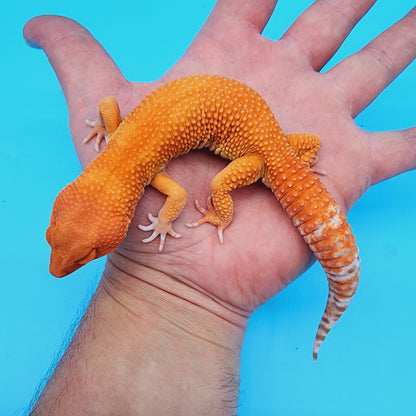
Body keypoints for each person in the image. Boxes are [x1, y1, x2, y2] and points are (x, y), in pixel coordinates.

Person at [24, 0, 416, 414]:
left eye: (90, 253)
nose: (64, 263)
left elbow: (175, 196)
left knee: (219, 186)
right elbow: (109, 109)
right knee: (288, 154)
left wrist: (178, 221)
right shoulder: (127, 148)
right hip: (282, 142)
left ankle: (226, 213)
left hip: (256, 154)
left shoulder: (136, 164)